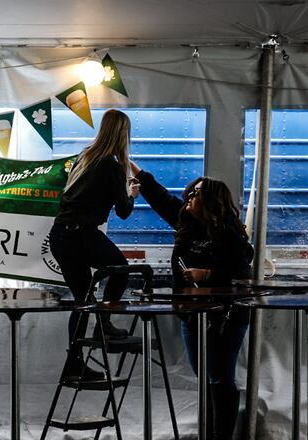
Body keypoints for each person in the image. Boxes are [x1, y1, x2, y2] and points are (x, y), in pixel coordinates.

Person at [130, 160, 253, 440]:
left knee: (221, 377)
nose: (190, 197)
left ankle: (220, 435)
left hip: (226, 317)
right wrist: (129, 163)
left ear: (212, 201)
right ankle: (209, 432)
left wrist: (207, 273)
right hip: (192, 313)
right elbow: (159, 196)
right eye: (190, 193)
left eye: (197, 193)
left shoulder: (229, 233)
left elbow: (242, 269)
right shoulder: (186, 222)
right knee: (205, 376)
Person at [49, 109, 140, 378]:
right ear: (124, 134)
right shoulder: (111, 165)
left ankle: (74, 363)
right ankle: (105, 324)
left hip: (61, 236)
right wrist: (132, 193)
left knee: (82, 300)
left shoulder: (86, 157)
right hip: (81, 235)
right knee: (120, 269)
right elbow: (123, 211)